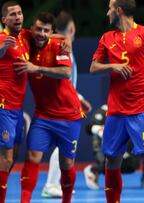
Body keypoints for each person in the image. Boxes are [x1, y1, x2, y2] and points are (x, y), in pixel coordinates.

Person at [89, 0, 144, 202]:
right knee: (111, 160)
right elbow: (93, 67)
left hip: (142, 110)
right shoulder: (106, 38)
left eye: (110, 8)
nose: (107, 13)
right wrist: (113, 66)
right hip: (116, 112)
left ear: (119, 11)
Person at [14, 12, 83, 203]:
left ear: (51, 32)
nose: (42, 34)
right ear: (32, 29)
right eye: (38, 29)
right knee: (32, 156)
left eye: (46, 30)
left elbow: (65, 72)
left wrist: (36, 68)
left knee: (66, 164)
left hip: (69, 116)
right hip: (43, 116)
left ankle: (66, 200)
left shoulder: (59, 45)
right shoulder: (26, 40)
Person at [41, 10, 92, 198]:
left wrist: (78, 98)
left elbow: (66, 80)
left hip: (64, 100)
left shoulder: (58, 45)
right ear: (71, 28)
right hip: (61, 103)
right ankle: (51, 185)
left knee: (65, 145)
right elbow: (61, 79)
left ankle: (55, 184)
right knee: (65, 144)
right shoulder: (61, 47)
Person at [84, 104, 144, 190]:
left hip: (127, 146)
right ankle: (94, 170)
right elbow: (89, 127)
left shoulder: (135, 110)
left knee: (143, 151)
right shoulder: (105, 110)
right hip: (106, 146)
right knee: (117, 163)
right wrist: (101, 130)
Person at [0, 1, 30, 202]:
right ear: (4, 20)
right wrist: (2, 47)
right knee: (7, 158)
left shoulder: (24, 37)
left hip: (17, 109)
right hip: (3, 106)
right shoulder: (2, 39)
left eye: (19, 13)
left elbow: (44, 33)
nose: (17, 17)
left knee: (13, 157)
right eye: (12, 14)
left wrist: (65, 39)